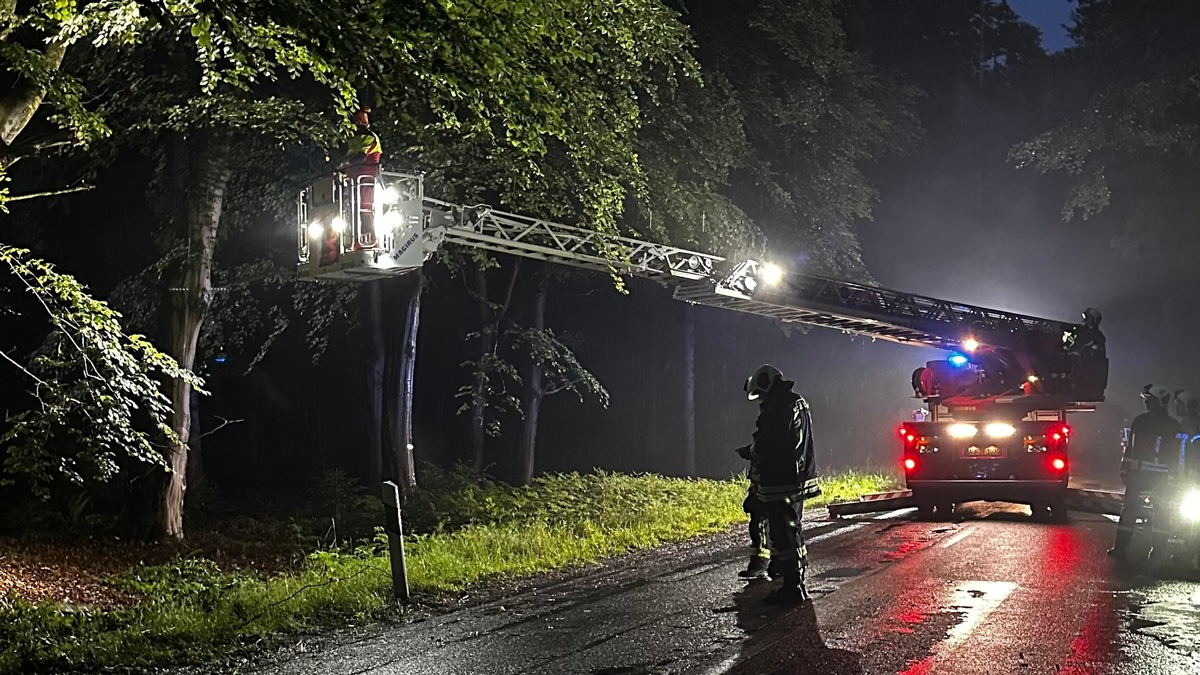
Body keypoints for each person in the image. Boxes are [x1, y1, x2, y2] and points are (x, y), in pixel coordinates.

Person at [742, 364, 822, 604]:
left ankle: (792, 588)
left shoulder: (780, 406)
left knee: (786, 533)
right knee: (791, 531)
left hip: (782, 480)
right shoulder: (795, 401)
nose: (762, 400)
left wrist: (750, 451)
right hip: (795, 478)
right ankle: (792, 579)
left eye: (762, 394)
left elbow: (772, 443)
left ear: (767, 384)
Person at [1109, 384, 1181, 559]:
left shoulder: (1142, 422)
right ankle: (1154, 551)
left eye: (1149, 400)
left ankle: (1124, 549)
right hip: (1154, 478)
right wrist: (1125, 467)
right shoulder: (1171, 425)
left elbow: (1176, 453)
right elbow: (1131, 449)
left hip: (1145, 477)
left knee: (1135, 512)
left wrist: (1126, 469)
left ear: (1157, 401)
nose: (1146, 404)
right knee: (1156, 514)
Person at [340, 106, 383, 249]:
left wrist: (343, 164)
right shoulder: (353, 139)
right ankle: (356, 242)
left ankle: (370, 240)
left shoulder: (370, 137)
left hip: (366, 180)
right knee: (352, 211)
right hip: (354, 181)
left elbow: (359, 157)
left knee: (365, 210)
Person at [734, 442, 771, 579]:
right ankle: (770, 564)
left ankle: (760, 564)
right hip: (763, 486)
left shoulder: (773, 424)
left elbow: (764, 447)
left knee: (759, 525)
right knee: (763, 525)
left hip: (765, 487)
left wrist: (748, 451)